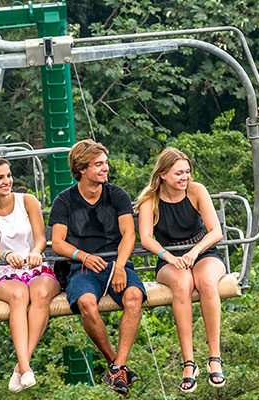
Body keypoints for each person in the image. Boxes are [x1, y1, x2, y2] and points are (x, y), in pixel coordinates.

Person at [49, 139, 146, 396]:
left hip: (116, 263)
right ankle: (116, 363)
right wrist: (83, 256)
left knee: (134, 296)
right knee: (86, 304)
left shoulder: (117, 195)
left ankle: (118, 366)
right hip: (81, 268)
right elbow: (57, 242)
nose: (105, 168)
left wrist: (121, 267)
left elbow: (129, 235)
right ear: (82, 169)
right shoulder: (65, 201)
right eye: (98, 164)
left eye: (105, 163)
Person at [136, 148, 227, 392]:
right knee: (183, 283)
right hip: (169, 257)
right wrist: (168, 257)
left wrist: (194, 252)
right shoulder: (150, 200)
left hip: (201, 251)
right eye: (178, 173)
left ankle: (214, 357)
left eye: (187, 172)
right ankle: (189, 362)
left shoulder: (197, 191)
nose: (184, 177)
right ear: (163, 175)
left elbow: (215, 231)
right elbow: (146, 237)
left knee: (206, 282)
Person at [0, 158, 60, 392]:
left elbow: (41, 238)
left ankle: (22, 367)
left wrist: (35, 252)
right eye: (0, 178)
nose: (7, 181)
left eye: (8, 176)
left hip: (35, 267)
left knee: (40, 293)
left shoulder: (27, 201)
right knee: (20, 296)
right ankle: (25, 366)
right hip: (6, 272)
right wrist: (6, 255)